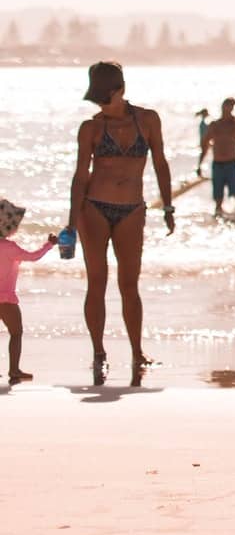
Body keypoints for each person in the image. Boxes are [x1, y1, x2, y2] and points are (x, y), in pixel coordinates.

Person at [69, 61, 174, 386]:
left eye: (104, 96)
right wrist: (71, 224)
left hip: (132, 209)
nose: (100, 103)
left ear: (119, 89)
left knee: (130, 285)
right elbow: (80, 176)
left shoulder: (148, 120)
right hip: (94, 210)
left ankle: (137, 351)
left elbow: (160, 162)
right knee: (97, 282)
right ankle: (99, 352)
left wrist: (168, 206)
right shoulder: (91, 128)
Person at [0, 199, 56, 385]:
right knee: (16, 333)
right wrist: (48, 245)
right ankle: (14, 370)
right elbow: (33, 257)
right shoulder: (10, 248)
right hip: (6, 300)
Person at [197, 97, 235, 219]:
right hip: (218, 165)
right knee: (218, 199)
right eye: (226, 106)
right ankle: (218, 221)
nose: (227, 109)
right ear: (222, 107)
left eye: (230, 107)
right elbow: (205, 146)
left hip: (232, 164)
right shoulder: (215, 125)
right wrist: (199, 165)